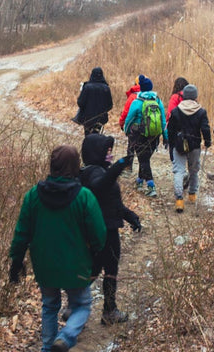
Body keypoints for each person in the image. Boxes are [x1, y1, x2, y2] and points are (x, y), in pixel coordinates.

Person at [9, 145, 106, 352]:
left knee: (50, 306)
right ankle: (66, 336)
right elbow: (99, 233)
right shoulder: (84, 197)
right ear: (75, 166)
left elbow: (21, 232)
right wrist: (98, 257)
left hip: (45, 264)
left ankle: (47, 347)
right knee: (82, 305)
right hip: (76, 264)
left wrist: (16, 260)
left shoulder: (33, 195)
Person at [80, 133, 142, 325]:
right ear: (95, 152)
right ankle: (107, 310)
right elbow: (100, 187)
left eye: (110, 151)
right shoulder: (93, 172)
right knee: (105, 268)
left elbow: (113, 203)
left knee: (99, 268)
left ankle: (84, 307)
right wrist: (118, 166)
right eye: (106, 151)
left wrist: (130, 216)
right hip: (103, 230)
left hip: (107, 227)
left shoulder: (100, 170)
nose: (110, 154)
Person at [167, 85, 211, 213]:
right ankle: (192, 195)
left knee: (178, 171)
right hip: (195, 145)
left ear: (184, 95)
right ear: (195, 96)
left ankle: (179, 200)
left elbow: (171, 130)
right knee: (194, 170)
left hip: (179, 144)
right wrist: (207, 141)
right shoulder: (201, 111)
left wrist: (171, 145)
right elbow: (205, 128)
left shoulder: (176, 111)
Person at [124, 74, 168, 197]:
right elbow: (163, 120)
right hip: (155, 136)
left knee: (143, 160)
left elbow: (129, 119)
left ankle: (151, 186)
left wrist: (126, 130)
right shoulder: (158, 101)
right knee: (145, 159)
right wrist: (165, 137)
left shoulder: (137, 102)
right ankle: (139, 182)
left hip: (139, 135)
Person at [77, 67, 113, 135]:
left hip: (87, 119)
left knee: (88, 137)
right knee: (98, 136)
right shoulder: (106, 88)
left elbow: (80, 103)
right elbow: (110, 105)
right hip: (100, 119)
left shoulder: (87, 87)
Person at [118, 77, 141, 173]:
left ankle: (128, 168)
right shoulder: (152, 96)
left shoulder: (133, 96)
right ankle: (143, 171)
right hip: (147, 126)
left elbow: (126, 112)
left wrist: (122, 123)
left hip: (134, 126)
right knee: (143, 150)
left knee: (131, 147)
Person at [166, 77, 189, 161]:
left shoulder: (175, 97)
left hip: (176, 129)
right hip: (189, 128)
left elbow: (170, 113)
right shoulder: (190, 97)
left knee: (174, 151)